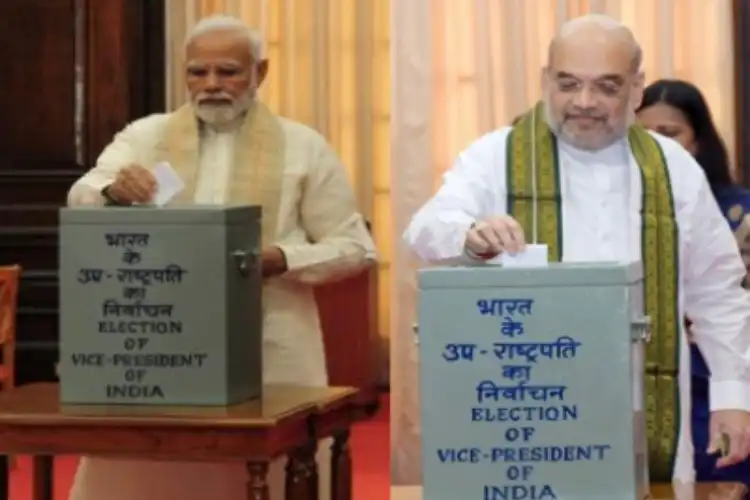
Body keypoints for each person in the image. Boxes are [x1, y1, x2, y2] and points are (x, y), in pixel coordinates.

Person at [404, 14, 750, 485]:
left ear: (636, 88)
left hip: (643, 406)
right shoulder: (497, 156)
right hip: (528, 409)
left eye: (606, 86)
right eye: (568, 84)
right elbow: (424, 229)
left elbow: (718, 291)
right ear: (546, 80)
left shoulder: (674, 169)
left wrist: (733, 396)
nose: (584, 102)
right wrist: (470, 234)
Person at [66, 14, 376, 500]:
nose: (211, 85)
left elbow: (355, 248)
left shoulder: (304, 147)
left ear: (261, 71)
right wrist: (113, 189)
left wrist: (280, 258)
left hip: (270, 331)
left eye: (228, 71)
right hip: (159, 335)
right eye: (198, 72)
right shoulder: (145, 136)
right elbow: (82, 195)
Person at [637, 78, 750, 488]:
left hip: (719, 374)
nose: (656, 144)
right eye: (643, 132)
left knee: (720, 478)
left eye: (669, 133)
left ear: (698, 141)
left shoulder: (739, 212)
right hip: (642, 376)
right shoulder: (618, 206)